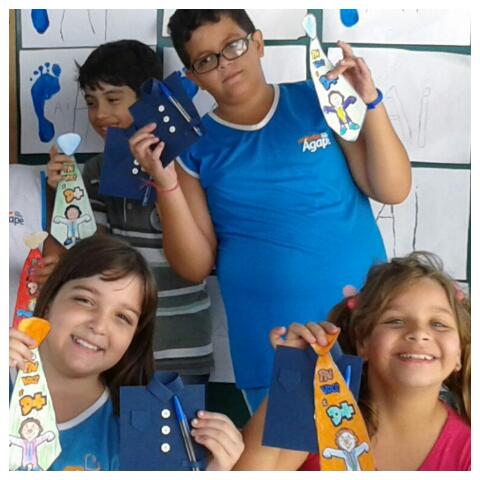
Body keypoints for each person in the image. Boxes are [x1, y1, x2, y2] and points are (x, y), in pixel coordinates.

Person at [128, 9, 411, 413]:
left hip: (365, 329)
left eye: (233, 46)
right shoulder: (194, 149)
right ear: (193, 77)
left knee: (378, 445)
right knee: (286, 449)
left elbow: (392, 189)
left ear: (258, 44)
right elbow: (194, 265)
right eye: (206, 60)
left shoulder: (318, 98)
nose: (224, 64)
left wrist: (371, 101)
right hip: (271, 346)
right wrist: (164, 181)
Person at [42, 39, 214, 381]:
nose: (100, 114)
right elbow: (83, 260)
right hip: (108, 353)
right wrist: (64, 194)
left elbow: (196, 267)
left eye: (113, 99)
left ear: (149, 100)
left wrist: (164, 181)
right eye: (91, 102)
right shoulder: (93, 172)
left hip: (178, 354)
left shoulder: (188, 166)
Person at [9, 236, 243, 471]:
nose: (99, 325)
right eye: (85, 300)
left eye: (122, 317)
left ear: (133, 338)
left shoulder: (137, 426)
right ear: (48, 302)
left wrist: (213, 471)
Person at [234, 252, 470, 471]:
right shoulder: (317, 419)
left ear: (459, 354)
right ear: (362, 343)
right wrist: (293, 382)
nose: (419, 333)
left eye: (439, 324)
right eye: (396, 321)